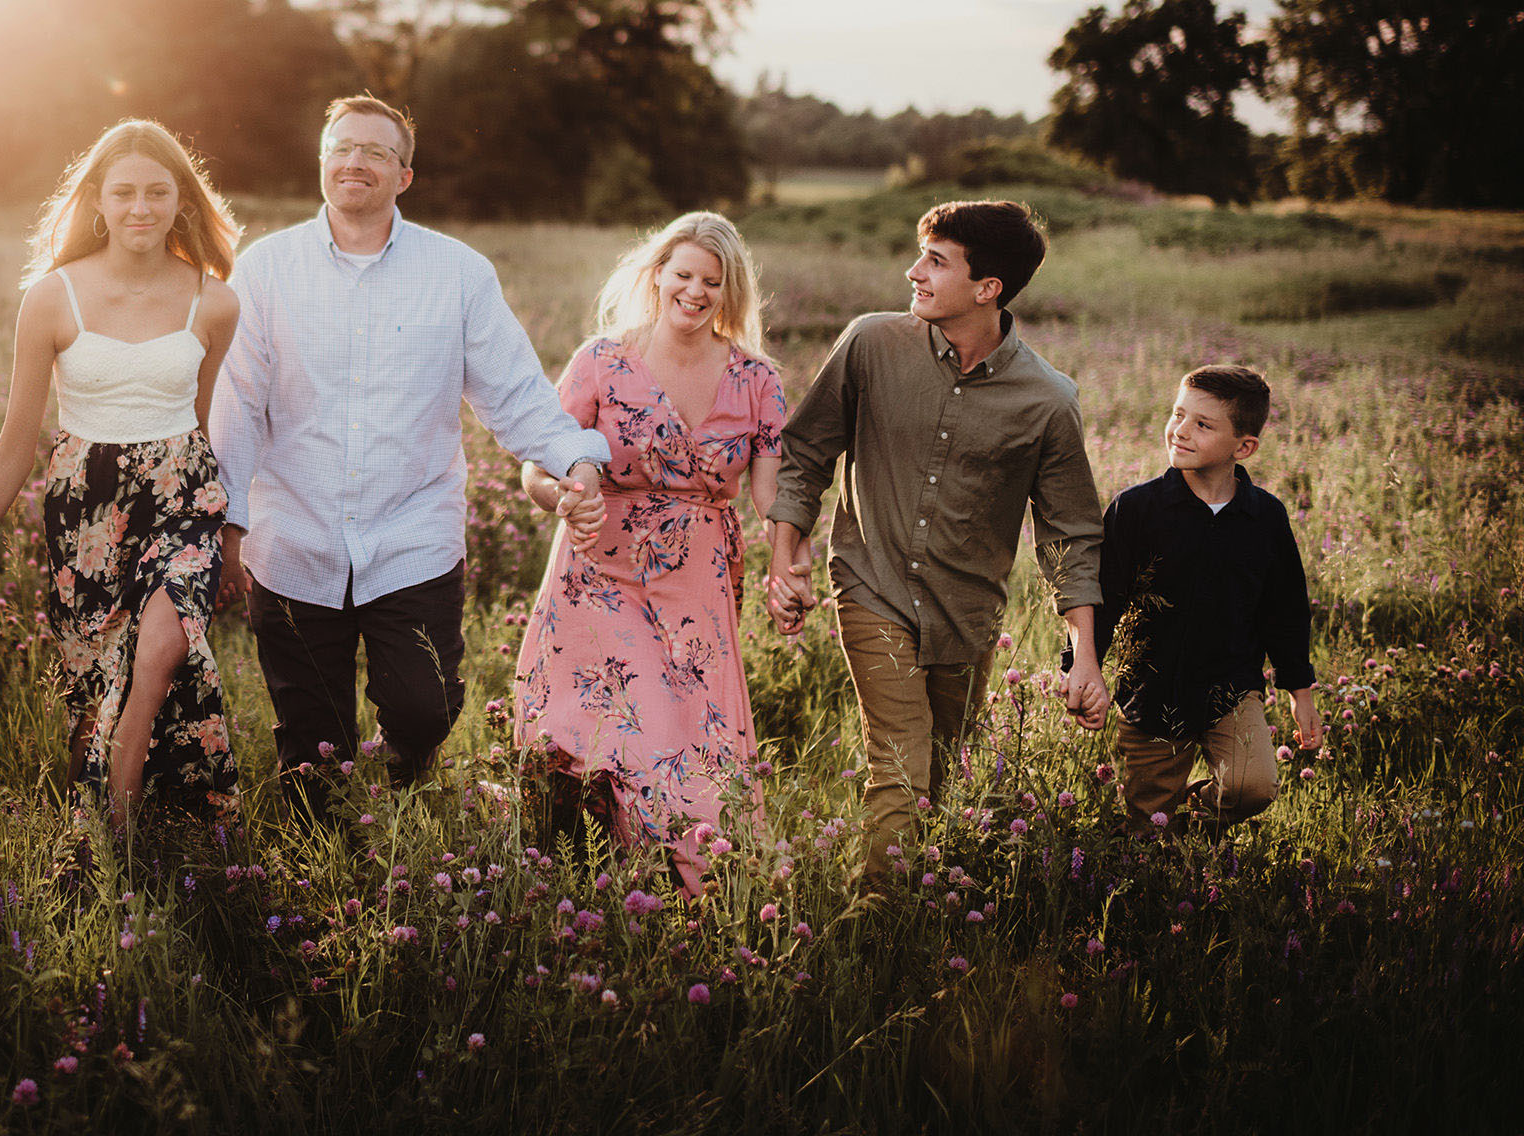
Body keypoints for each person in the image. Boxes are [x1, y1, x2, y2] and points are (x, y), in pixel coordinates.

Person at [211, 94, 608, 808]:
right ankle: (326, 878)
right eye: (339, 146)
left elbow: (515, 394)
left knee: (424, 712)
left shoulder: (458, 273)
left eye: (375, 151)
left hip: (412, 536)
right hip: (293, 536)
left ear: (405, 176)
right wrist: (227, 525)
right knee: (312, 754)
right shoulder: (264, 270)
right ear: (321, 160)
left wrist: (576, 459)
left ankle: (411, 801)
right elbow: (237, 405)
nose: (353, 161)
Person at [765, 199, 1107, 890]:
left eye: (936, 261)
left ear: (988, 290)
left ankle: (919, 907)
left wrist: (1085, 658)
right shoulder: (869, 344)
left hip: (966, 614)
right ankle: (876, 930)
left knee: (937, 779)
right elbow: (805, 451)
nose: (913, 272)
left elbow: (1069, 533)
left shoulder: (1047, 399)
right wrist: (785, 558)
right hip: (871, 587)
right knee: (899, 767)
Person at [0, 120, 241, 837]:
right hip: (85, 506)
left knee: (162, 649)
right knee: (96, 679)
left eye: (158, 192)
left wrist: (233, 535)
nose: (140, 208)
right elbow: (12, 446)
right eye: (124, 192)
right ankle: (98, 803)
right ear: (97, 199)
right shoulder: (52, 298)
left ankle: (113, 830)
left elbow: (200, 422)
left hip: (182, 494)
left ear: (181, 200)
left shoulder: (213, 301)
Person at [512, 212, 787, 891]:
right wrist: (562, 499)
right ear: (657, 274)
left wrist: (791, 561)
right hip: (598, 571)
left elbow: (773, 497)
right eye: (684, 275)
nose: (695, 292)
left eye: (712, 283)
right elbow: (536, 466)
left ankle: (696, 884)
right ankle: (607, 876)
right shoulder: (602, 360)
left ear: (731, 293)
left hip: (698, 580)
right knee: (618, 723)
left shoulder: (757, 380)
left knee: (694, 728)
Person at [1094, 365, 1320, 833]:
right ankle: (1164, 846)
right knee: (1146, 830)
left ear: (1244, 447)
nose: (1180, 431)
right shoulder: (1137, 509)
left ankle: (1192, 823)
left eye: (1202, 424)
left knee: (1250, 787)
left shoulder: (1265, 518)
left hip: (1231, 690)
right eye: (1178, 414)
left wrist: (1301, 694)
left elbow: (1286, 611)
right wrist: (1083, 666)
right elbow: (1104, 599)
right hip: (1152, 693)